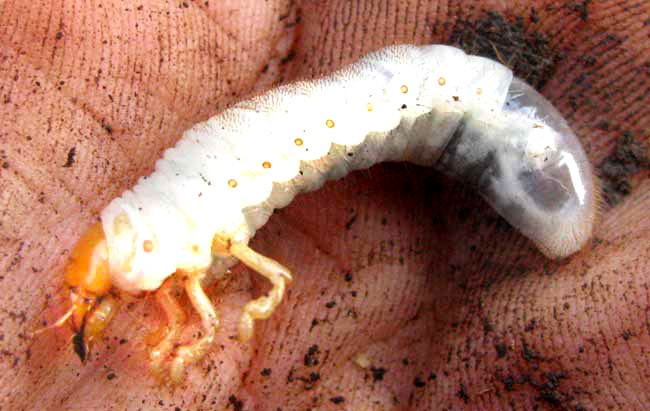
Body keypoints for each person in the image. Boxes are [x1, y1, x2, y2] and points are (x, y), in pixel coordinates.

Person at [2, 1, 648, 409]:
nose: (98, 308)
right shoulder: (170, 231)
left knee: (431, 105)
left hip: (446, 91)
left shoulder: (171, 233)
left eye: (96, 298)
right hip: (403, 104)